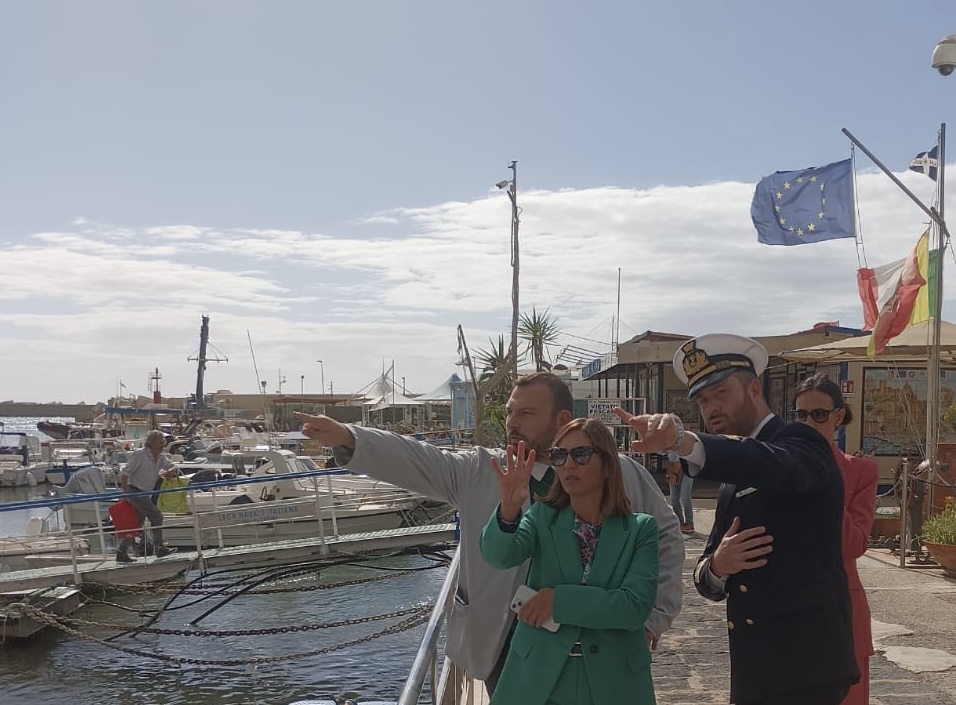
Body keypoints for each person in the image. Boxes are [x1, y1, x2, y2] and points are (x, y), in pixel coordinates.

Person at [295, 371, 684, 691]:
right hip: (506, 642)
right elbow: (418, 459)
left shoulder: (618, 471)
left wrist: (654, 617)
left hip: (599, 640)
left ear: (562, 419)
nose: (512, 422)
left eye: (527, 413)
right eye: (511, 412)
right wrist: (350, 439)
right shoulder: (480, 470)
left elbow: (665, 535)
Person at [614, 334, 858, 705]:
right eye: (702, 400)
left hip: (807, 666)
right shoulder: (732, 475)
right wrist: (718, 565)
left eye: (721, 393)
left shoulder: (801, 443)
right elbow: (706, 575)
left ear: (754, 388)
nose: (711, 407)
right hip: (757, 669)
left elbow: (769, 463)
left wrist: (683, 441)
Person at [480, 418, 659, 705]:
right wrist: (509, 509)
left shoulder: (641, 530)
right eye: (559, 455)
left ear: (608, 465)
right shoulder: (541, 518)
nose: (568, 464)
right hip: (539, 679)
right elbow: (499, 556)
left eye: (581, 454)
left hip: (613, 682)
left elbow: (633, 607)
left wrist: (558, 602)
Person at [793, 373, 879, 705]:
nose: (809, 423)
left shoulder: (861, 471)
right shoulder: (780, 467)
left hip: (841, 614)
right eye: (801, 415)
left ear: (838, 416)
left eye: (819, 414)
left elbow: (853, 545)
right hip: (789, 612)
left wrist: (824, 479)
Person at [118, 429, 178, 562]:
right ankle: (160, 547)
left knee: (136, 524)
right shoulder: (139, 455)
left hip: (145, 493)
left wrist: (170, 471)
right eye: (160, 442)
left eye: (163, 442)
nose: (163, 445)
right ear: (151, 443)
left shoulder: (161, 457)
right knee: (156, 516)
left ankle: (121, 552)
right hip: (135, 491)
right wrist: (125, 493)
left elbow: (173, 466)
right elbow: (125, 473)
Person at [665, 452, 694, 533]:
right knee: (674, 497)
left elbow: (681, 459)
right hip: (673, 465)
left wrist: (674, 473)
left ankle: (689, 522)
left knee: (685, 496)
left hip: (687, 466)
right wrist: (670, 472)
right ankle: (679, 521)